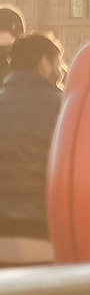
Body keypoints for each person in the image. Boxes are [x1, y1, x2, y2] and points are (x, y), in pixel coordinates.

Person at [0, 27, 64, 261]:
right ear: (44, 63)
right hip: (43, 234)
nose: (62, 70)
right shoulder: (64, 108)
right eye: (58, 62)